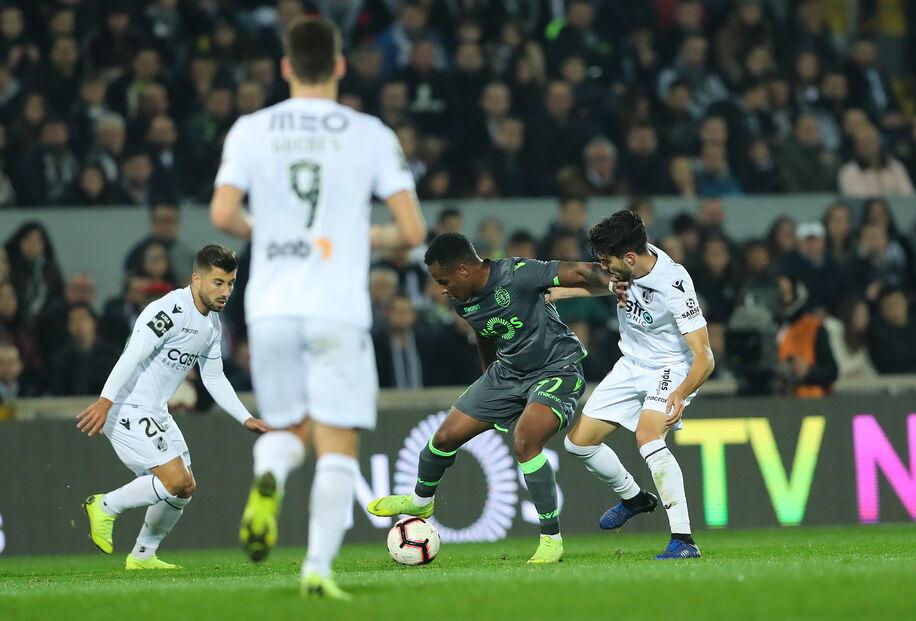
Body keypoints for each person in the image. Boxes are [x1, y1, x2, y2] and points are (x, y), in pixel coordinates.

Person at [209, 17, 425, 599]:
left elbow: (223, 216)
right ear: (339, 65)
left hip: (271, 309)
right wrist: (360, 236)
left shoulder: (251, 129)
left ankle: (270, 474)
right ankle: (317, 569)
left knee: (286, 427)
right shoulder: (369, 132)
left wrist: (268, 229)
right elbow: (411, 230)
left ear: (284, 68)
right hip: (337, 309)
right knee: (337, 443)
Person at [367, 232, 610, 564]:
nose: (441, 288)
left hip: (557, 368)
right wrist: (488, 379)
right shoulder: (461, 298)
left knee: (525, 440)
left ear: (465, 271)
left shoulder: (519, 273)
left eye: (444, 280)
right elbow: (485, 332)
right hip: (506, 374)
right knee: (444, 437)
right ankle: (421, 500)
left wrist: (617, 283)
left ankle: (551, 540)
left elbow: (581, 273)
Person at [77, 245, 267, 570]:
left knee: (184, 488)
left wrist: (245, 417)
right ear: (197, 279)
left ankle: (142, 557)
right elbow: (132, 354)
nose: (226, 292)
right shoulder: (169, 312)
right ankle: (104, 506)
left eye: (231, 283)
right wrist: (107, 400)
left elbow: (214, 376)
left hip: (154, 410)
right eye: (218, 283)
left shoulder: (211, 324)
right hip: (127, 406)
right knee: (175, 481)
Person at [550, 210, 714, 560]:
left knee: (647, 436)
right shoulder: (627, 264)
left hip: (670, 367)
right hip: (630, 365)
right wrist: (554, 293)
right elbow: (599, 281)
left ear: (628, 257)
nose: (603, 267)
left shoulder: (673, 283)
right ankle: (633, 497)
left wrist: (680, 393)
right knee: (578, 445)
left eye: (607, 261)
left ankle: (684, 540)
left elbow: (705, 356)